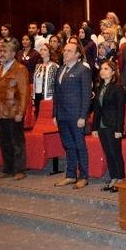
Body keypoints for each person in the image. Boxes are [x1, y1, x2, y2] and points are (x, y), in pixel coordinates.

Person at [52, 42, 92, 189]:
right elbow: (56, 94)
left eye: (69, 51)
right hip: (62, 115)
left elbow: (86, 95)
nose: (65, 53)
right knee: (68, 146)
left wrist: (83, 116)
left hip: (76, 116)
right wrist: (54, 114)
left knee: (79, 146)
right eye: (65, 50)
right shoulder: (61, 69)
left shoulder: (83, 70)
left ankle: (83, 176)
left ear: (77, 54)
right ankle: (70, 175)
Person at [0, 38, 30, 180]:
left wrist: (21, 112)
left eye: (5, 51)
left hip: (14, 112)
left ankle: (19, 170)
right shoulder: (0, 68)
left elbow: (24, 92)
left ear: (13, 53)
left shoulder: (20, 69)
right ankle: (7, 169)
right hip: (1, 112)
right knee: (4, 142)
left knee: (17, 143)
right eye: (1, 51)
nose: (2, 53)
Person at [91, 60, 126, 192]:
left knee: (115, 152)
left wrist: (119, 129)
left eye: (106, 69)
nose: (102, 71)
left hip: (113, 126)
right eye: (101, 69)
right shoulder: (100, 87)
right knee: (108, 153)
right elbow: (97, 109)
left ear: (113, 72)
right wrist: (94, 127)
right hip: (102, 125)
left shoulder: (117, 88)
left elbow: (120, 110)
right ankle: (113, 178)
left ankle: (121, 178)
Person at [32, 44, 58, 115]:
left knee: (46, 117)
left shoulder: (54, 66)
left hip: (48, 96)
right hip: (37, 95)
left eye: (45, 50)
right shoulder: (38, 66)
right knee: (38, 115)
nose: (42, 51)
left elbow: (57, 83)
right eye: (41, 49)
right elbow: (35, 82)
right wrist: (33, 96)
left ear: (49, 52)